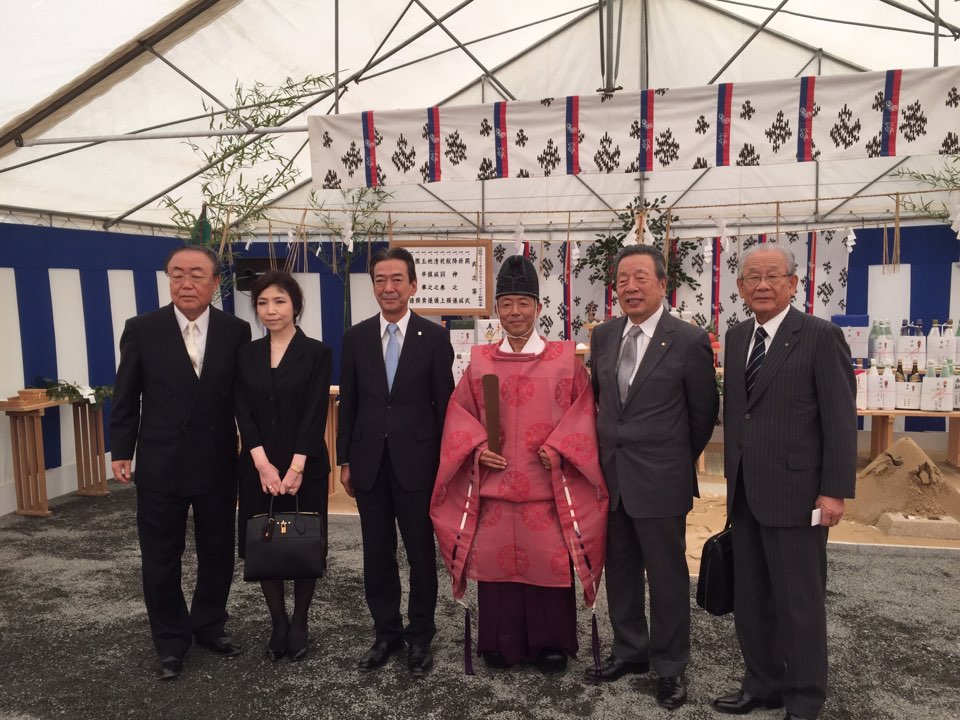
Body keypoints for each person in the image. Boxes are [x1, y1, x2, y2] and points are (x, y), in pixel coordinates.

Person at [431, 255, 608, 673]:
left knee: (548, 566)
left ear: (538, 309)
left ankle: (551, 645)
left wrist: (562, 448)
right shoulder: (479, 362)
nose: (515, 312)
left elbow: (585, 414)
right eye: (506, 303)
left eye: (523, 303)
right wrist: (476, 450)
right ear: (497, 310)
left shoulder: (565, 360)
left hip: (546, 488)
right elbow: (460, 416)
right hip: (494, 489)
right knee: (496, 568)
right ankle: (499, 643)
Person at [712, 245, 856, 720]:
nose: (762, 285)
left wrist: (834, 490)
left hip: (798, 495)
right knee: (751, 598)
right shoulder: (736, 338)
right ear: (739, 288)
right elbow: (740, 413)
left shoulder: (819, 336)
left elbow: (839, 420)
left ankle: (804, 698)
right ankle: (763, 683)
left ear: (794, 284)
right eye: (752, 277)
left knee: (800, 604)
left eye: (773, 276)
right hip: (746, 494)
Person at [110, 245, 252, 680]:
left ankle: (209, 625)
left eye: (196, 274)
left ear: (214, 282)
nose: (186, 283)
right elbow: (126, 394)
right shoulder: (142, 328)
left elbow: (243, 398)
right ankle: (170, 641)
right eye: (177, 274)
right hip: (160, 461)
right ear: (168, 279)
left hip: (215, 461)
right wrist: (120, 450)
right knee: (160, 556)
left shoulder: (236, 330)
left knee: (217, 552)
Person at [588, 244, 718, 710]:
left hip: (661, 479)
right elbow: (601, 401)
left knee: (666, 578)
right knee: (620, 571)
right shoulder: (603, 336)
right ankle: (630, 651)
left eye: (642, 277)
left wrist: (672, 460)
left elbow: (703, 414)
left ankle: (669, 667)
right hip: (612, 478)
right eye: (623, 278)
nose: (631, 286)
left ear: (663, 285)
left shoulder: (686, 339)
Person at [336, 246, 455, 676]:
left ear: (413, 285)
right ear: (374, 287)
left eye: (397, 280)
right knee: (376, 553)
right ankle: (385, 632)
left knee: (421, 553)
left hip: (419, 463)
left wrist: (447, 464)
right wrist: (344, 459)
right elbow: (347, 401)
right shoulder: (355, 337)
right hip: (368, 462)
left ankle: (420, 635)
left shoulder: (435, 337)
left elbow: (446, 406)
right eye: (380, 281)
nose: (388, 288)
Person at [234, 270, 332, 662]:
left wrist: (295, 467)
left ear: (295, 306)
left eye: (279, 301)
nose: (270, 311)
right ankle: (277, 621)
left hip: (304, 464)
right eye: (262, 303)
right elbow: (242, 408)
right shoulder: (246, 354)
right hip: (258, 465)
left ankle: (301, 620)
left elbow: (314, 411)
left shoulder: (317, 353)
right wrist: (260, 462)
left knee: (305, 542)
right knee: (266, 541)